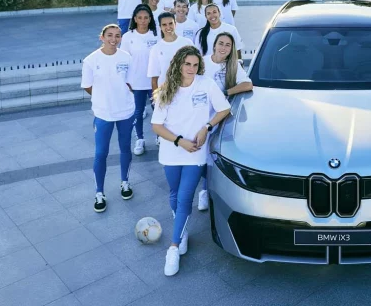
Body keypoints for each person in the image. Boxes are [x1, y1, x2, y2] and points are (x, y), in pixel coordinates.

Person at [151, 46, 231, 276]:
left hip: (195, 151)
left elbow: (223, 109)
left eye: (195, 65)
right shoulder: (167, 90)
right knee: (174, 194)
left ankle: (173, 247)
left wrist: (207, 127)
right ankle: (182, 231)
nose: (192, 69)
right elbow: (157, 125)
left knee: (185, 197)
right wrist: (179, 141)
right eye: (187, 64)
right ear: (178, 64)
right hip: (172, 151)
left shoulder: (205, 85)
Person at [80, 24, 135, 213]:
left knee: (125, 148)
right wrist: (103, 97)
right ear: (101, 37)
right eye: (109, 35)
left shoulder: (126, 58)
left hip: (126, 112)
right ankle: (99, 192)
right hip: (103, 114)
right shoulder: (90, 60)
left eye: (117, 36)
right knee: (101, 153)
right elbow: (88, 86)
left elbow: (131, 81)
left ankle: (125, 183)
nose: (114, 39)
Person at [196, 32, 253, 211]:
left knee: (212, 156)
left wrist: (226, 92)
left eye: (228, 45)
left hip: (220, 118)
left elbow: (247, 84)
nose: (223, 48)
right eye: (221, 43)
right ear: (214, 45)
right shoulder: (202, 62)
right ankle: (201, 188)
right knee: (199, 157)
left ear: (231, 49)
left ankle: (205, 191)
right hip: (199, 115)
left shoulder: (233, 65)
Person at [121, 5, 159, 156]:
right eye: (140, 18)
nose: (143, 21)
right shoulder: (128, 37)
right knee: (137, 112)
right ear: (135, 19)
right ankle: (140, 139)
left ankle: (160, 136)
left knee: (158, 109)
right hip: (135, 81)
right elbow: (123, 61)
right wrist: (125, 81)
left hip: (154, 81)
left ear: (150, 19)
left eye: (146, 18)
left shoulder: (156, 35)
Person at [147, 13, 194, 91]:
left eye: (170, 23)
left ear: (175, 24)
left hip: (187, 90)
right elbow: (154, 78)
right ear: (160, 27)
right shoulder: (156, 48)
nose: (168, 27)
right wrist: (156, 99)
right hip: (165, 92)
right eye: (164, 25)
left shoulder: (187, 43)